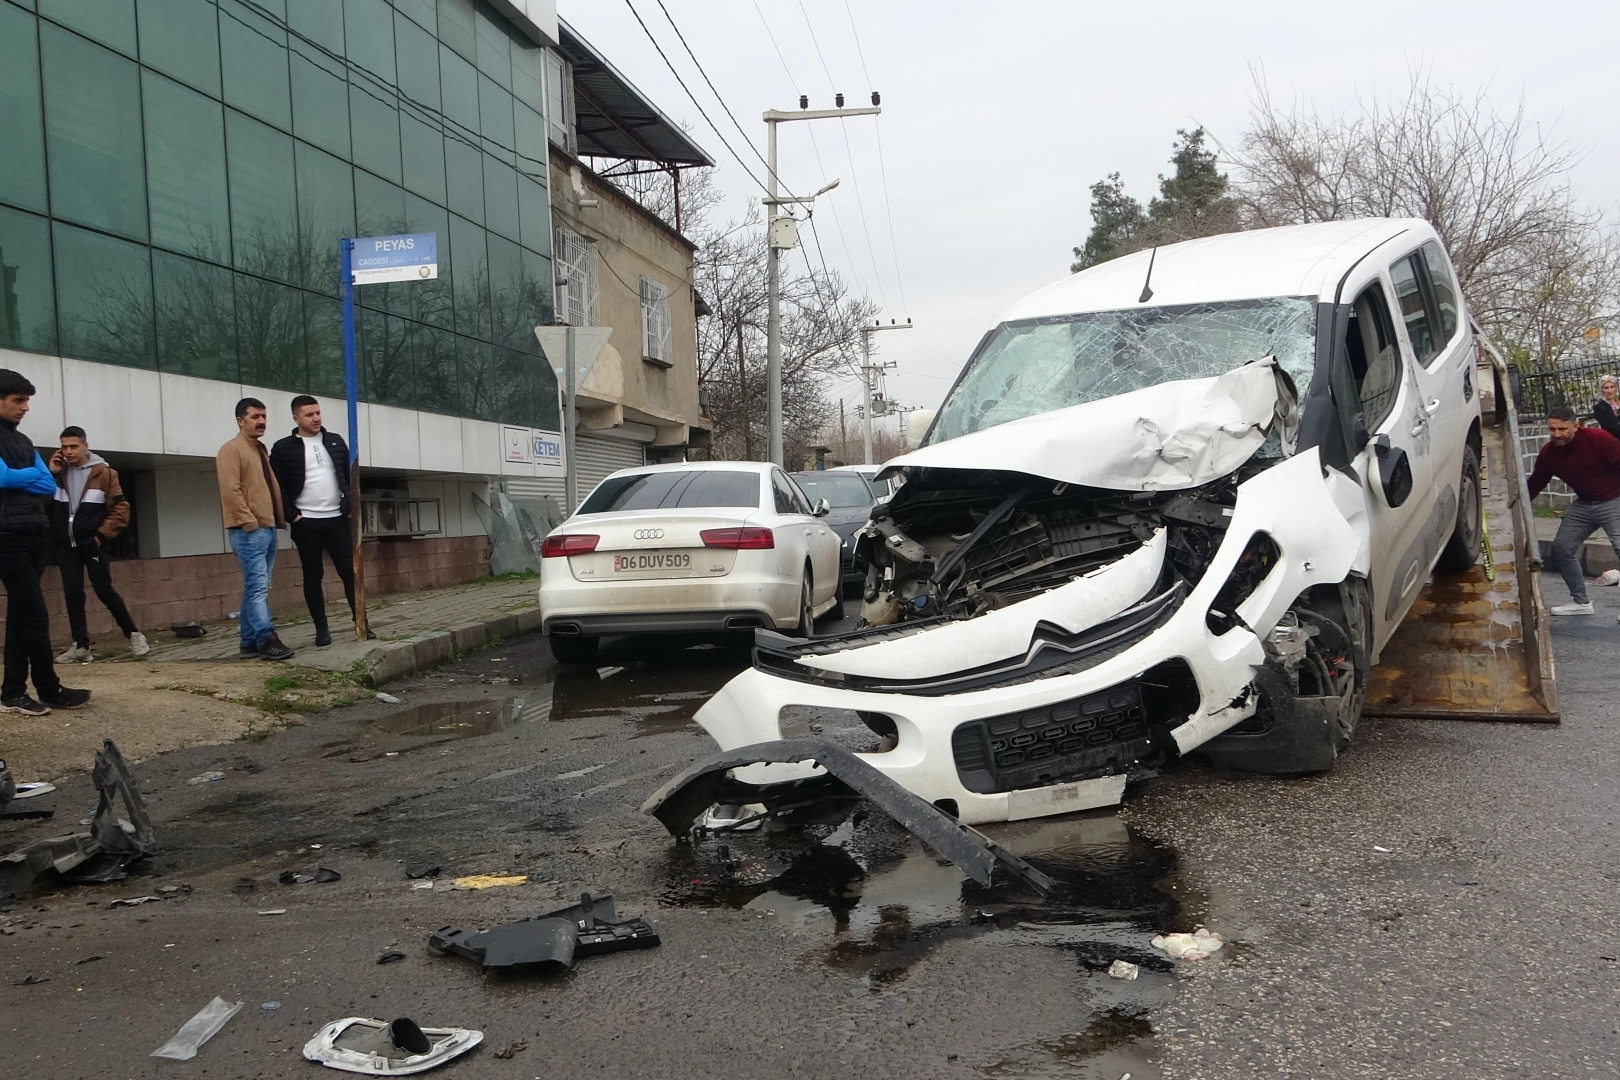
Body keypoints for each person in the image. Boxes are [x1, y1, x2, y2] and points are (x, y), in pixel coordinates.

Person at [0, 369, 91, 715]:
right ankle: (47, 688)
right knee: (34, 614)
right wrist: (23, 476)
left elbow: (45, 485)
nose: (25, 408)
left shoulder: (22, 441)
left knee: (23, 615)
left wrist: (17, 478)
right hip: (6, 536)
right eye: (18, 400)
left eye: (27, 401)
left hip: (33, 533)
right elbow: (3, 476)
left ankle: (12, 692)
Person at [268, 395, 373, 646]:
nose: (315, 418)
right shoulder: (283, 448)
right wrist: (293, 515)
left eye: (317, 413)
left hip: (337, 518)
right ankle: (322, 629)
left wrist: (349, 505)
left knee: (350, 570)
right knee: (313, 574)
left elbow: (348, 475)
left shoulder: (336, 441)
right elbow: (276, 485)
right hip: (306, 522)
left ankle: (361, 622)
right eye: (308, 414)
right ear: (296, 418)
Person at [48, 427, 149, 662]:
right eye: (64, 447)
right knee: (72, 594)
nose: (69, 452)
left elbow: (121, 509)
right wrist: (51, 473)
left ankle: (134, 634)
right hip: (66, 545)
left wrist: (100, 537)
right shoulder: (59, 473)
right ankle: (81, 646)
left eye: (74, 446)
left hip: (92, 542)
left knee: (104, 589)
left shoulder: (104, 473)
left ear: (86, 445)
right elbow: (45, 502)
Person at [216, 398, 294, 661]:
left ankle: (248, 642)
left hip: (267, 527)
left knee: (256, 587)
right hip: (249, 530)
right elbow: (231, 490)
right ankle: (266, 637)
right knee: (258, 587)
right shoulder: (231, 450)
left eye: (263, 416)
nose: (261, 421)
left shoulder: (259, 449)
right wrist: (249, 522)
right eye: (254, 417)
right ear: (240, 420)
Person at [1527, 404, 1620, 620]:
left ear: (1575, 426)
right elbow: (1536, 482)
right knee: (1561, 548)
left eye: (1562, 429)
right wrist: (1514, 507)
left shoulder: (1599, 439)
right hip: (1584, 504)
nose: (1557, 435)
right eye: (1552, 430)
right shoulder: (1549, 452)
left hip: (1614, 499)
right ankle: (1581, 602)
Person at [1593, 375, 1620, 442]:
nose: (1609, 390)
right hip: (1613, 440)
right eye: (1606, 388)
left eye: (1612, 387)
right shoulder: (1599, 407)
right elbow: (1609, 427)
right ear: (1602, 390)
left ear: (1616, 388)